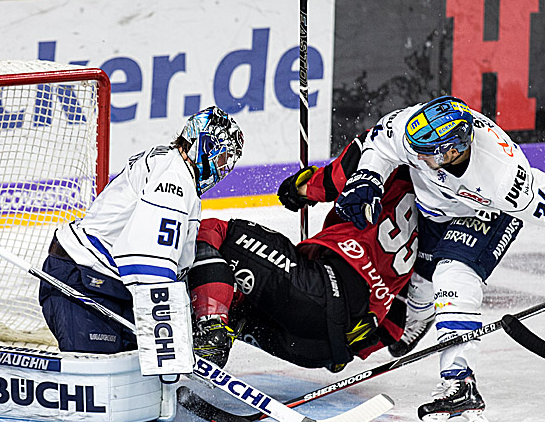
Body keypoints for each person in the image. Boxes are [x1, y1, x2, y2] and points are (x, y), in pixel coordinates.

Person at [323, 95, 545, 422]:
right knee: (420, 281)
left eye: (427, 152)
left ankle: (459, 382)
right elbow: (381, 146)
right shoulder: (416, 127)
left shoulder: (504, 179)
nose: (416, 156)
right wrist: (367, 177)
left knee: (452, 274)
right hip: (435, 208)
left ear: (454, 150)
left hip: (486, 215)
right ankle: (420, 314)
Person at [187, 130, 416, 375]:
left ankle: (208, 331)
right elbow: (399, 322)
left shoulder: (390, 150)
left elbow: (338, 178)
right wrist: (359, 346)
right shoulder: (437, 220)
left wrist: (301, 188)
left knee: (211, 232)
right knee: (234, 301)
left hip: (315, 293)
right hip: (321, 347)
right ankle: (196, 338)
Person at [38, 107, 243, 354]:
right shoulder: (174, 177)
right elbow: (148, 262)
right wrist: (169, 338)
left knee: (138, 381)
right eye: (222, 158)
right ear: (203, 147)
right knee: (105, 382)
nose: (223, 169)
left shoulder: (174, 167)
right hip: (83, 283)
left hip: (108, 285)